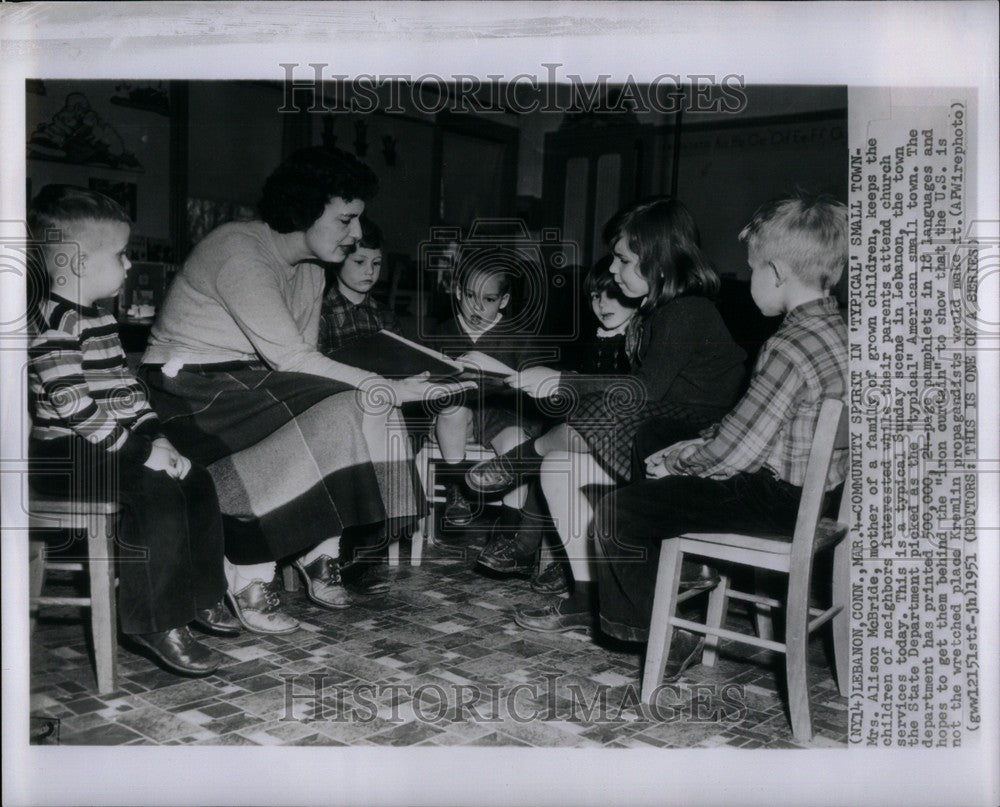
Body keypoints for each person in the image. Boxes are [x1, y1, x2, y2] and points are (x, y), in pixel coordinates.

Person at [517, 193, 849, 686]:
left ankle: (670, 634)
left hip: (774, 497)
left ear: (777, 273)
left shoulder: (785, 346)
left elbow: (739, 451)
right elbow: (754, 421)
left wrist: (684, 463)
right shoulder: (839, 333)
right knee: (656, 438)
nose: (750, 277)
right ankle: (662, 569)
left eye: (754, 268)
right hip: (815, 494)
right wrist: (686, 445)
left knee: (619, 514)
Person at [140, 147, 470, 635]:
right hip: (188, 389)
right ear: (304, 210)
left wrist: (392, 386)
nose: (356, 234)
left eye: (358, 220)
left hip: (250, 383)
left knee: (352, 405)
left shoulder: (314, 270)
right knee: (347, 405)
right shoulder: (238, 248)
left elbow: (303, 359)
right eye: (345, 220)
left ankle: (320, 552)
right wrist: (393, 389)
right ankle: (250, 568)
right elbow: (293, 361)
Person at [466, 197, 746, 599]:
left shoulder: (688, 311)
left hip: (696, 434)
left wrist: (562, 381)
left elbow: (644, 391)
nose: (613, 269)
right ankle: (584, 593)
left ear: (660, 263)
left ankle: (523, 457)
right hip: (662, 427)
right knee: (559, 466)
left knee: (603, 406)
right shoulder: (658, 312)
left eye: (623, 260)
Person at [27, 185, 237, 677]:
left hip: (106, 447)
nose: (127, 266)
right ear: (77, 265)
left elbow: (127, 390)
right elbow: (72, 404)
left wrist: (155, 437)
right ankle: (154, 622)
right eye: (120, 255)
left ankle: (202, 595)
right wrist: (140, 454)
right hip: (63, 458)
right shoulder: (53, 323)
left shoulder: (101, 321)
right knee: (155, 489)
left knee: (197, 478)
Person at [428, 254, 547, 552]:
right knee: (453, 407)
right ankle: (458, 490)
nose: (477, 307)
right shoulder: (441, 332)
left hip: (502, 417)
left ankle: (507, 527)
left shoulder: (519, 338)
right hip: (455, 422)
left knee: (518, 443)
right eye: (469, 296)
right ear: (457, 292)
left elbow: (535, 389)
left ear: (503, 301)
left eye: (489, 299)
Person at [316, 216, 401, 355]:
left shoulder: (386, 315)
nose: (370, 271)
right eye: (360, 262)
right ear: (337, 261)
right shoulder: (320, 314)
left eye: (376, 263)